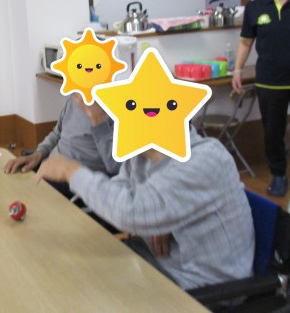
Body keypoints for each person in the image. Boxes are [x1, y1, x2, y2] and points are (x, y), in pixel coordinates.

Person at [35, 102, 255, 291]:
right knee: (71, 273)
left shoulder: (205, 158)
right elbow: (122, 189)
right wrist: (157, 219)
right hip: (156, 260)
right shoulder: (142, 153)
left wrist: (71, 171)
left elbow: (131, 211)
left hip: (202, 286)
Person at [233, 0, 290, 197]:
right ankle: (278, 175)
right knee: (273, 132)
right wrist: (237, 69)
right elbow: (246, 42)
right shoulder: (255, 8)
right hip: (269, 80)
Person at [4, 94, 120, 198]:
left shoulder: (120, 107)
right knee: (10, 183)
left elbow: (115, 167)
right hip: (50, 166)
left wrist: (98, 120)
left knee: (25, 197)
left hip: (76, 179)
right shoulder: (74, 98)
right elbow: (57, 134)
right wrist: (37, 154)